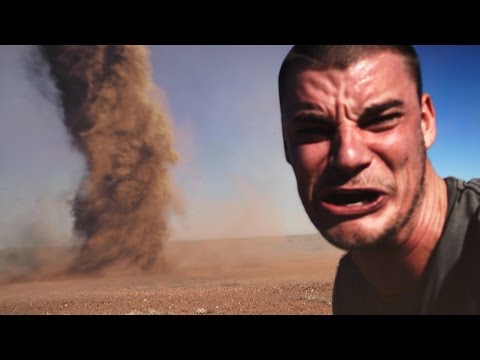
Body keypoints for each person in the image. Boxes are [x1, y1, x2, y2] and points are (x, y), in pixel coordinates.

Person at [278, 45, 480, 315]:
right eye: (313, 129)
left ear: (425, 123)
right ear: (287, 147)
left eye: (381, 119)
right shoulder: (351, 283)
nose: (348, 156)